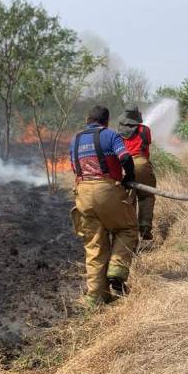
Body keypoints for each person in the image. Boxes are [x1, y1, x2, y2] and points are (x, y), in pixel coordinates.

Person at [69, 105, 139, 303]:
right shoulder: (110, 135)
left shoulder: (75, 140)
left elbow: (75, 168)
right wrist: (129, 177)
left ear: (87, 119)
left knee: (94, 246)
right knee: (127, 228)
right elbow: (125, 158)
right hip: (106, 190)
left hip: (82, 193)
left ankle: (95, 297)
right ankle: (117, 269)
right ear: (106, 121)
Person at [116, 105, 156, 240]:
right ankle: (145, 228)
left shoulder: (118, 132)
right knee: (147, 196)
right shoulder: (145, 130)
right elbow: (147, 143)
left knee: (128, 199)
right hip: (141, 164)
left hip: (123, 166)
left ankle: (129, 232)